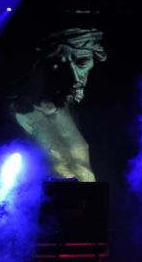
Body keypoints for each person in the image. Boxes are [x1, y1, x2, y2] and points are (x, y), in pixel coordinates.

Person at [8, 27, 107, 182]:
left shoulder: (83, 109)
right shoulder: (16, 112)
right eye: (58, 64)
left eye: (82, 62)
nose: (74, 77)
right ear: (41, 65)